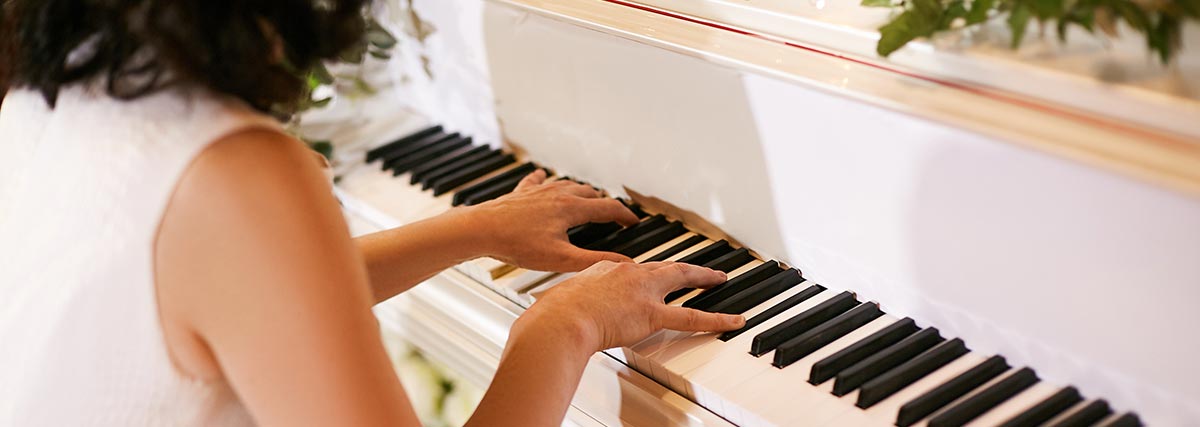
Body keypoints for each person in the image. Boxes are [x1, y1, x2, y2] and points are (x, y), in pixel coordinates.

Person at [0, 1, 746, 426]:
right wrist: (566, 324)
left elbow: (235, 305)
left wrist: (475, 226)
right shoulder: (230, 170)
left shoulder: (49, 99)